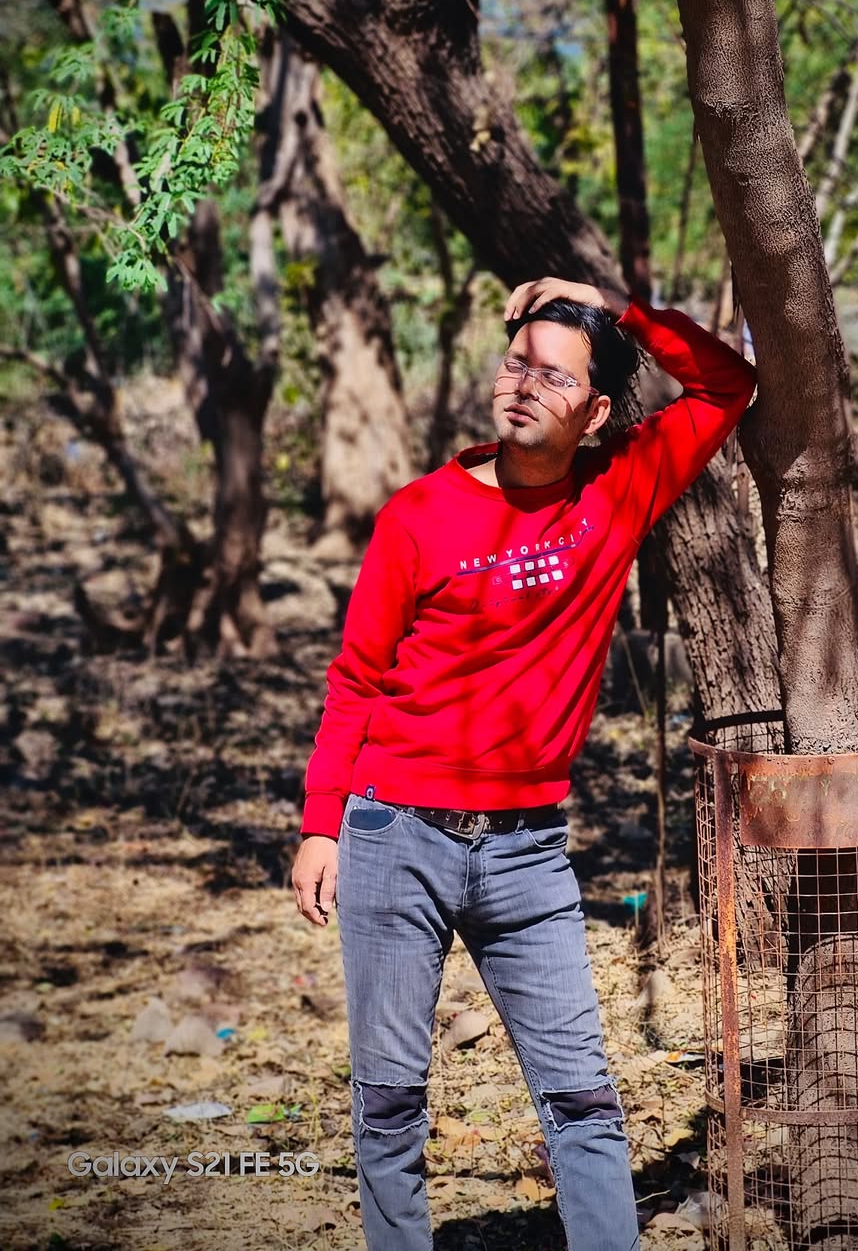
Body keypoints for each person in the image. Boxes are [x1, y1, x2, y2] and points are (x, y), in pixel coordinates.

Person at [291, 276, 756, 1250]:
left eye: (554, 374)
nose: (524, 385)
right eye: (516, 365)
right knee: (387, 1103)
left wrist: (618, 306)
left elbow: (728, 385)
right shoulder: (419, 514)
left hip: (527, 853)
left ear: (596, 412)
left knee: (583, 1098)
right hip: (393, 833)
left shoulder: (620, 484)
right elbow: (357, 676)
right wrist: (321, 823)